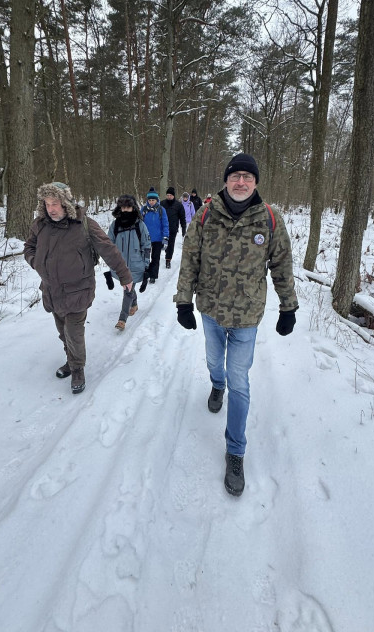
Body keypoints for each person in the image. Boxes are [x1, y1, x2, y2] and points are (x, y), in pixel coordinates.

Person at [174, 153, 298, 497]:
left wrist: (288, 307)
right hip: (211, 311)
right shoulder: (205, 214)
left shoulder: (270, 219)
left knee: (239, 381)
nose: (240, 182)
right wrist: (183, 300)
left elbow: (282, 265)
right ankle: (216, 384)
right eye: (235, 176)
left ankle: (236, 451)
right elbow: (190, 259)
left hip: (246, 318)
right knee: (216, 364)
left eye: (247, 176)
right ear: (226, 179)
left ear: (256, 182)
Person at [24, 182, 132, 395]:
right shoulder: (40, 225)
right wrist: (35, 261)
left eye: (55, 203)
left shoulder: (84, 225)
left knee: (74, 332)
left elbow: (109, 250)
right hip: (52, 291)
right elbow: (29, 247)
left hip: (78, 291)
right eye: (47, 204)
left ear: (65, 203)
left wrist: (124, 275)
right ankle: (70, 359)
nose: (51, 208)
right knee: (62, 331)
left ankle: (77, 369)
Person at [106, 195, 151, 331]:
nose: (125, 210)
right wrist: (111, 261)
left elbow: (146, 245)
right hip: (120, 265)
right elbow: (108, 244)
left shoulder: (140, 225)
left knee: (127, 289)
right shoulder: (115, 225)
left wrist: (146, 264)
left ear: (133, 208)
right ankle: (134, 304)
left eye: (128, 207)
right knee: (129, 288)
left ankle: (122, 319)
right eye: (123, 207)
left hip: (136, 264)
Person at [141, 189, 169, 283]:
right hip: (146, 238)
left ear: (157, 200)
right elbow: (139, 223)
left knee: (155, 258)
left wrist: (165, 237)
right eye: (149, 200)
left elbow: (165, 224)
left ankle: (153, 275)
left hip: (157, 238)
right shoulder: (144, 210)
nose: (151, 202)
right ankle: (146, 273)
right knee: (145, 257)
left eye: (153, 200)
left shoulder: (161, 210)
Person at [162, 187, 186, 269]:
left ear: (174, 196)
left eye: (170, 195)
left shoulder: (178, 205)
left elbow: (183, 218)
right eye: (167, 195)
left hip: (173, 228)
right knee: (163, 244)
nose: (169, 197)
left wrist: (183, 230)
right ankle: (165, 252)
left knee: (171, 244)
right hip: (163, 229)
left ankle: (168, 260)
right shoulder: (162, 204)